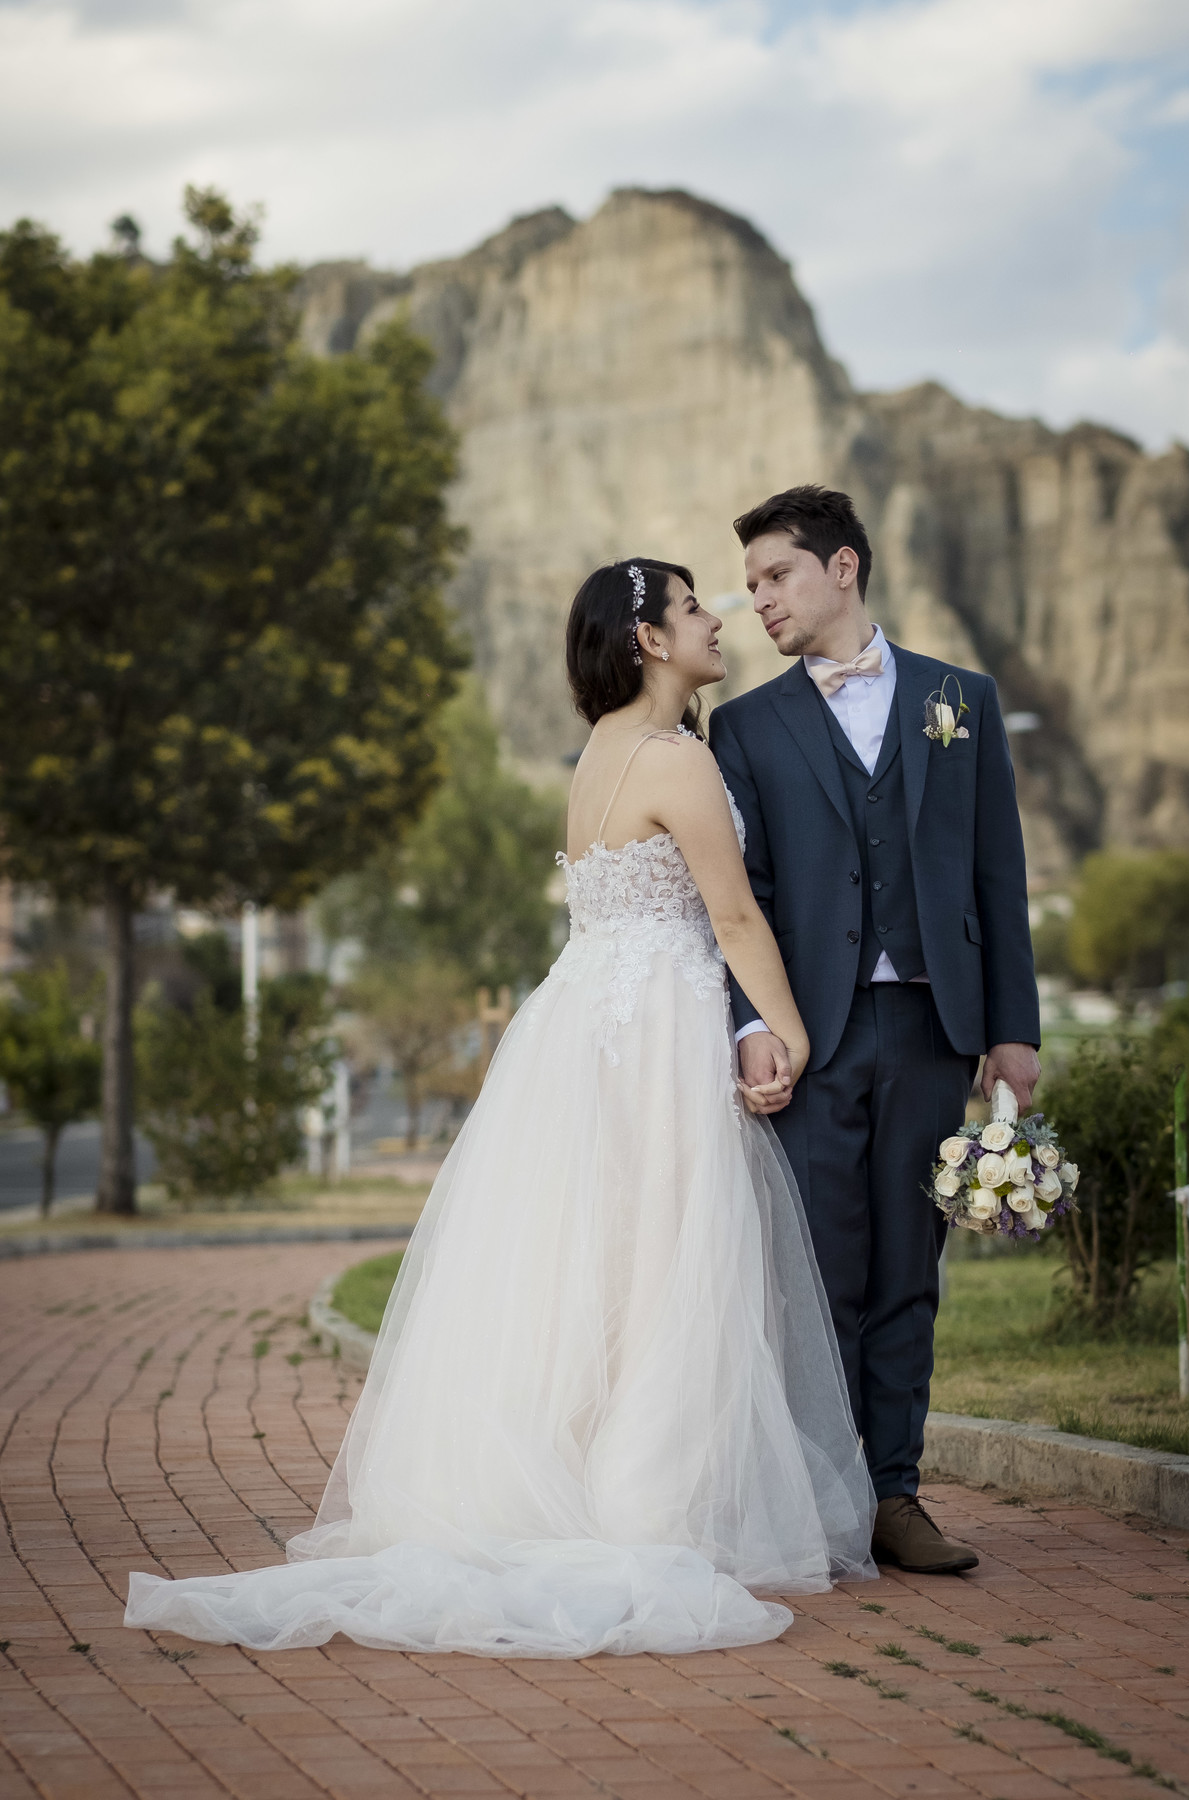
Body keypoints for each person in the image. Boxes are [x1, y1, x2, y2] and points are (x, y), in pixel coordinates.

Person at [124, 557, 875, 1660]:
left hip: (588, 1025)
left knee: (600, 1263)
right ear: (652, 642)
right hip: (656, 1028)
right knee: (666, 1262)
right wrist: (791, 1031)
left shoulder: (600, 758)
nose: (716, 617)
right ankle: (645, 1504)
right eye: (692, 606)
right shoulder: (675, 760)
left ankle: (586, 1477)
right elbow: (735, 918)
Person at [710, 486, 1042, 1575]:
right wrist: (754, 1023)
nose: (758, 599)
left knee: (911, 1268)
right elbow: (740, 897)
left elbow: (999, 872)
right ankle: (820, 1498)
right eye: (751, 583)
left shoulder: (963, 700)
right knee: (817, 1273)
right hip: (811, 1036)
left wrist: (1013, 1031)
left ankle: (897, 1496)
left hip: (932, 1028)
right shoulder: (745, 726)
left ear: (842, 568)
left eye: (776, 575)